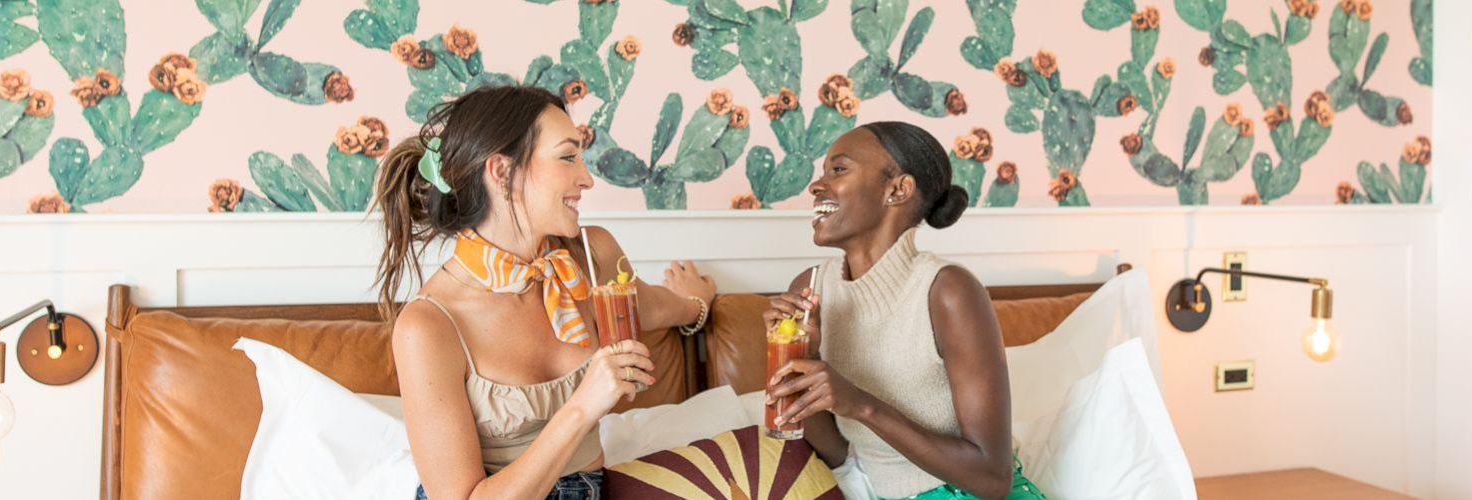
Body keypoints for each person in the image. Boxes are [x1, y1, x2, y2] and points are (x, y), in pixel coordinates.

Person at [371, 85, 717, 500]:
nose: (587, 179)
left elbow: (651, 306)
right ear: (502, 172)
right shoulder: (429, 325)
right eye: (568, 157)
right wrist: (584, 405)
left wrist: (697, 303)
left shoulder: (591, 256)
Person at [764, 122, 1045, 499]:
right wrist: (806, 361)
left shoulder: (948, 291)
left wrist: (861, 404)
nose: (816, 186)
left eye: (839, 170)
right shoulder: (810, 289)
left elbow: (992, 479)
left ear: (897, 189)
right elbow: (837, 455)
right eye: (822, 172)